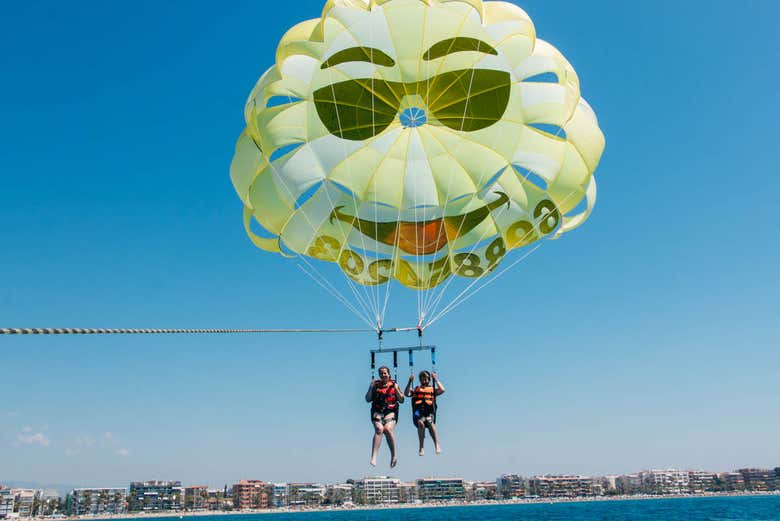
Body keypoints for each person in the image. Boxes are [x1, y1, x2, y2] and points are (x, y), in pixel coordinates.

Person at [365, 365, 404, 467]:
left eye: (385, 373)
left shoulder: (394, 385)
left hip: (390, 411)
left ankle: (393, 455)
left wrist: (396, 390)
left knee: (387, 429)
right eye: (381, 373)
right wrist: (370, 387)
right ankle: (374, 456)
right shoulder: (375, 385)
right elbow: (368, 399)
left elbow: (401, 400)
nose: (383, 375)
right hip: (378, 410)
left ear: (389, 374)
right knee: (379, 429)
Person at [404, 370, 445, 456]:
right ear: (420, 380)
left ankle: (437, 444)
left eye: (426, 379)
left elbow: (442, 390)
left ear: (429, 379)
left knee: (430, 421)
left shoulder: (432, 389)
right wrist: (409, 381)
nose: (424, 381)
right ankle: (421, 447)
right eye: (422, 379)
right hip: (418, 412)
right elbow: (406, 394)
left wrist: (436, 379)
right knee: (420, 423)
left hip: (429, 411)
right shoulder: (416, 389)